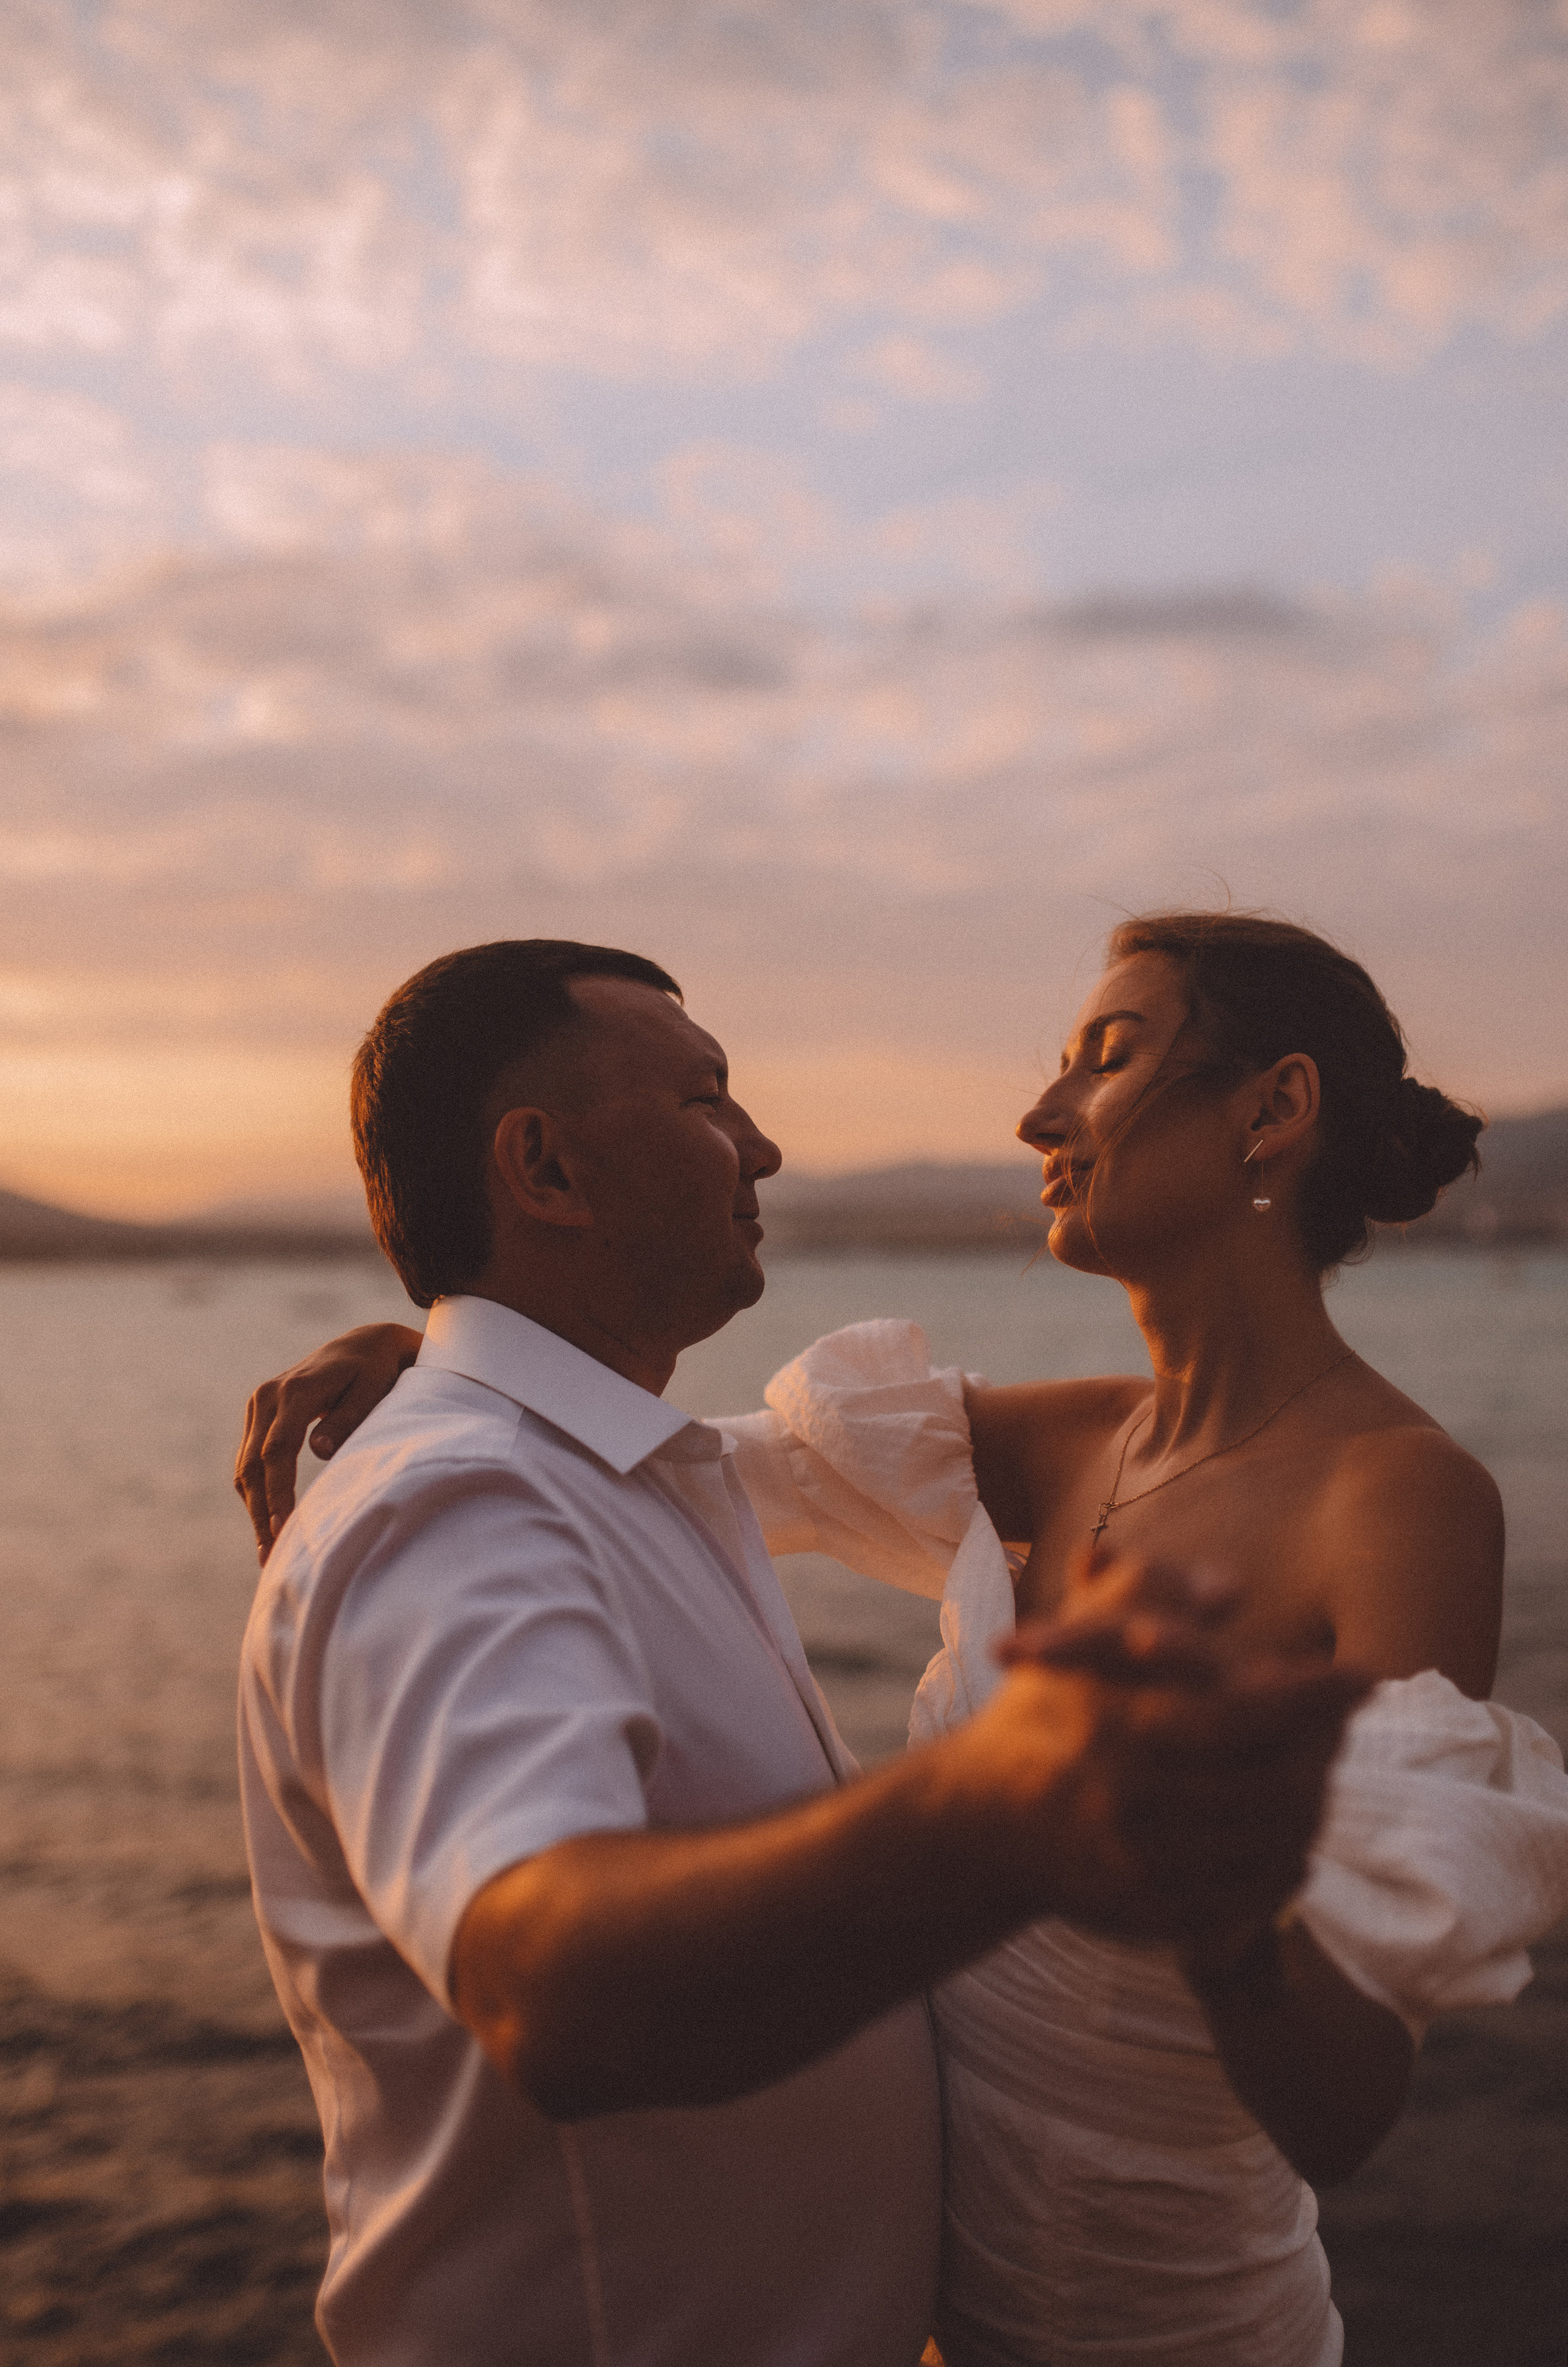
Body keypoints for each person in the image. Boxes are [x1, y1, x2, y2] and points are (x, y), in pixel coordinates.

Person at [235, 934, 1365, 2367]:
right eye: (708, 1101)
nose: (761, 1145)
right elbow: (549, 1987)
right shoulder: (456, 1503)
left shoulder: (614, 1475)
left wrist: (453, 1345)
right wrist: (1003, 1805)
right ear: (546, 1172)